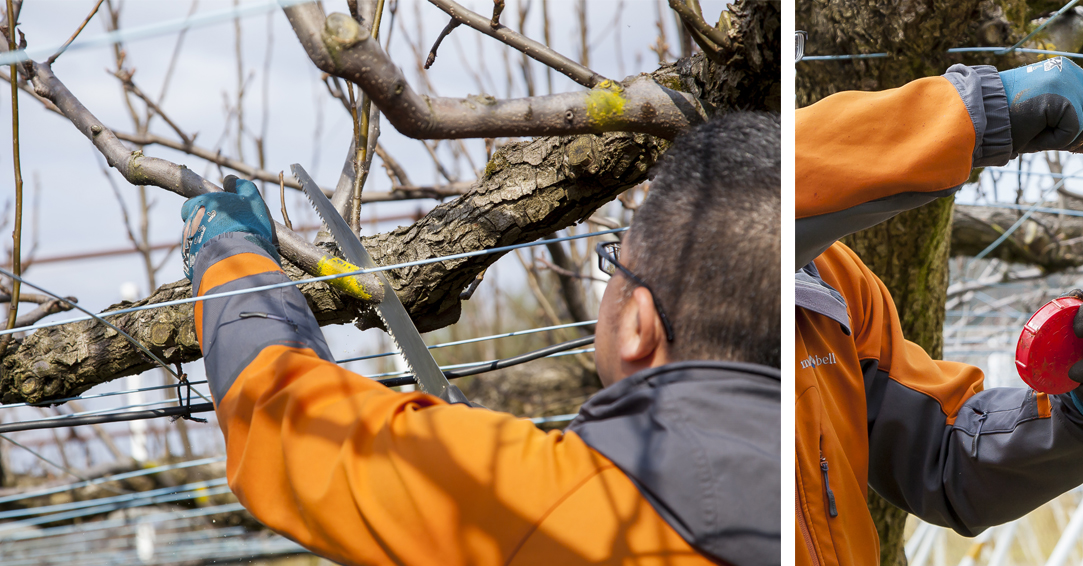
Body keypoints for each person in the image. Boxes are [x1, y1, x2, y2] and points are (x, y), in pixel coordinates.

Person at [180, 113, 780, 566]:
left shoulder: (540, 499)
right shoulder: (816, 486)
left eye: (614, 264)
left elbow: (286, 424)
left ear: (640, 324)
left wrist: (227, 254)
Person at [795, 57, 1083, 565]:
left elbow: (946, 452)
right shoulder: (669, 274)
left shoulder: (831, 287)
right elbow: (740, 196)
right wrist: (978, 110)